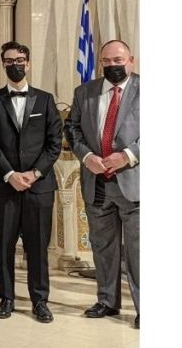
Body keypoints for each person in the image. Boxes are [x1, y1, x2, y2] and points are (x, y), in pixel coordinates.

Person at [0, 41, 62, 323]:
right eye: (9, 61)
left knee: (37, 247)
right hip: (3, 185)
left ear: (28, 63)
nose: (15, 65)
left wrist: (35, 173)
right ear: (3, 64)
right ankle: (7, 298)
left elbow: (54, 142)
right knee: (4, 244)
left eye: (19, 60)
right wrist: (10, 174)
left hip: (39, 186)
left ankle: (40, 301)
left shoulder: (45, 100)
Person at [65, 40, 140, 329]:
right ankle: (107, 301)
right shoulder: (84, 92)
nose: (112, 66)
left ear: (131, 60)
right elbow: (72, 128)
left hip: (133, 184)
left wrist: (128, 156)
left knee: (139, 252)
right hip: (97, 183)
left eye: (118, 60)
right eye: (106, 61)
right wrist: (87, 157)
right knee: (103, 248)